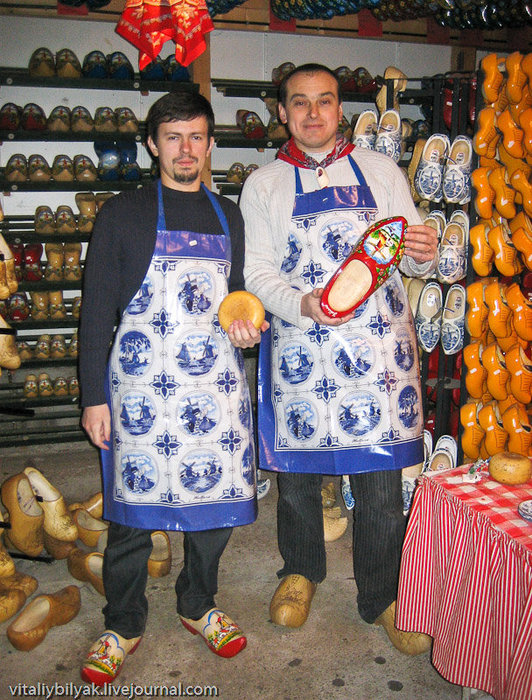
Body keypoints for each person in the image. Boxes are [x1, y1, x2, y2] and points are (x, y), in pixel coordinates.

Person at [240, 63, 438, 655]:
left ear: (340, 108)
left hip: (378, 353)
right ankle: (300, 571)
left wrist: (424, 252)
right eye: (298, 103)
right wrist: (301, 303)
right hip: (304, 346)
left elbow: (415, 260)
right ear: (282, 112)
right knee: (298, 477)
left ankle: (382, 594)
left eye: (324, 101)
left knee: (378, 479)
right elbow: (256, 273)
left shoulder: (380, 172)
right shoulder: (264, 184)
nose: (312, 113)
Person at [79, 90, 268, 685]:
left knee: (213, 514)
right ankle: (124, 621)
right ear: (153, 145)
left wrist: (249, 333)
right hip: (139, 387)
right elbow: (95, 314)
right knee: (131, 515)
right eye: (173, 138)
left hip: (214, 389)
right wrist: (93, 397)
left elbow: (239, 301)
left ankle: (198, 605)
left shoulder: (227, 214)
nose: (186, 150)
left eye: (196, 137)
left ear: (211, 144)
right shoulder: (123, 214)